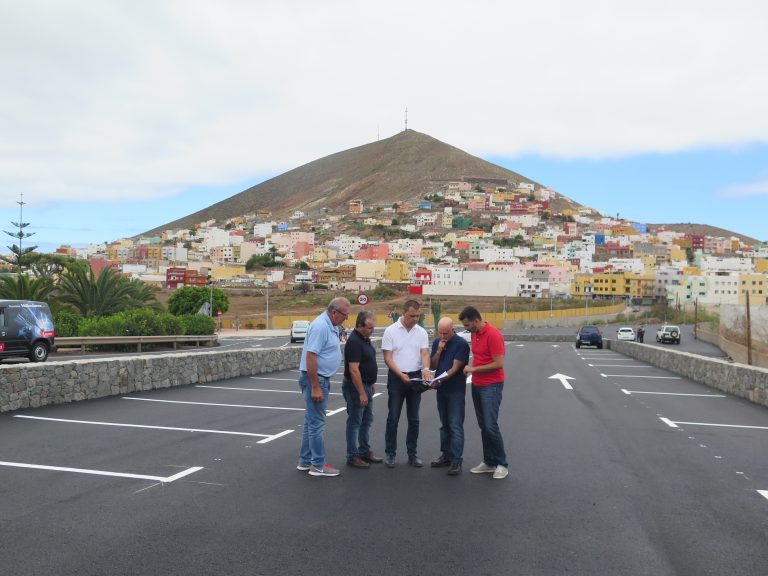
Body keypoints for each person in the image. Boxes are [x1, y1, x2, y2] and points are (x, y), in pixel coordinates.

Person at [296, 297, 350, 477]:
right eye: (344, 315)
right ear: (334, 312)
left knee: (310, 422)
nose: (346, 318)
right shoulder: (320, 326)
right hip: (316, 379)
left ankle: (305, 460)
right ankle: (318, 465)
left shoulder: (330, 325)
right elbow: (311, 356)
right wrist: (316, 387)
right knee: (317, 424)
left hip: (319, 378)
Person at [459, 305, 509, 480]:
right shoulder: (475, 334)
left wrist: (474, 369)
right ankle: (489, 462)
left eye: (467, 325)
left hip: (492, 385)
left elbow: (499, 363)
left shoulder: (494, 334)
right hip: (478, 384)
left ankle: (502, 463)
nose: (466, 329)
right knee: (483, 426)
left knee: (490, 425)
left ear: (476, 321)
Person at [382, 299, 432, 468]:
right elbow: (388, 358)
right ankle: (390, 453)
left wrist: (426, 368)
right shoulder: (390, 331)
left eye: (418, 315)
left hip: (415, 378)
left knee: (414, 419)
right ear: (403, 313)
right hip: (397, 378)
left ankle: (412, 454)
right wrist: (400, 374)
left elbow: (424, 353)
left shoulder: (421, 332)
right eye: (412, 315)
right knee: (393, 418)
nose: (416, 319)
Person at [429, 317, 470, 476]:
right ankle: (446, 455)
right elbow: (433, 365)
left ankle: (456, 460)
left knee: (455, 425)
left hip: (455, 390)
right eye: (440, 333)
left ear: (453, 329)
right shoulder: (438, 342)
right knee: (444, 424)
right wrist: (439, 350)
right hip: (442, 389)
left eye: (446, 333)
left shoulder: (461, 344)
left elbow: (455, 368)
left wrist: (439, 380)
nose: (443, 336)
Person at [342, 310, 383, 468]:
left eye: (373, 328)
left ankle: (364, 451)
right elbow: (353, 370)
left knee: (366, 420)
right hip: (355, 388)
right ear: (359, 326)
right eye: (369, 328)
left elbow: (367, 363)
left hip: (366, 385)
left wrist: (371, 383)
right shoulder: (354, 341)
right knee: (355, 421)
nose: (372, 331)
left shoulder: (365, 339)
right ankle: (352, 456)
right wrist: (361, 392)